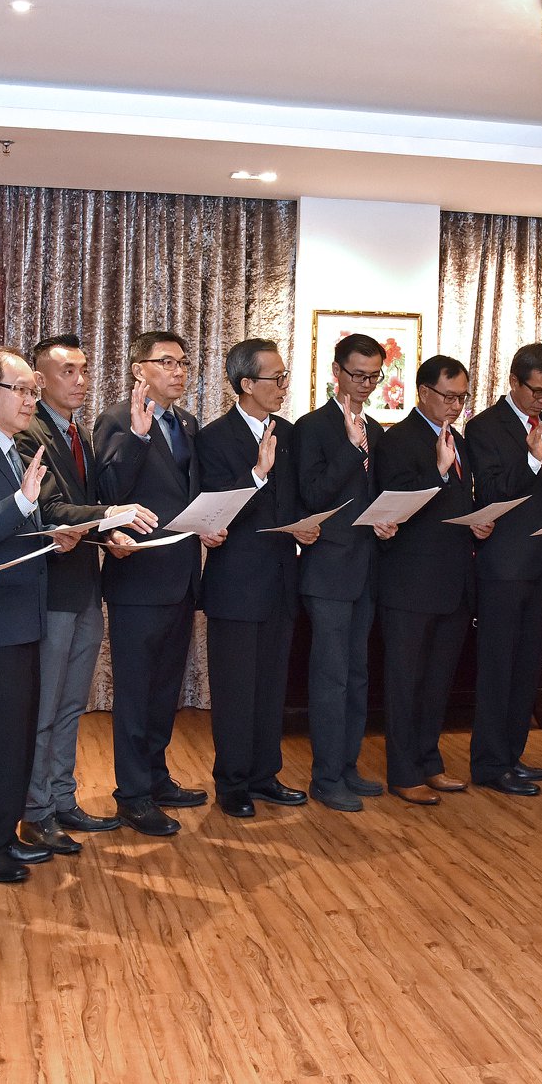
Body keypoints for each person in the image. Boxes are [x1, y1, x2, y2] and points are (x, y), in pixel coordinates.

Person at [0, 350, 81, 882]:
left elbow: (13, 531)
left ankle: (2, 834)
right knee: (1, 737)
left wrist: (47, 531)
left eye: (33, 391)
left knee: (18, 734)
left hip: (22, 614)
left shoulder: (9, 449)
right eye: (21, 390)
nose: (30, 401)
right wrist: (24, 505)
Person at [17, 334, 153, 851]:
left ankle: (62, 798)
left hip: (83, 585)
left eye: (84, 370)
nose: (80, 381)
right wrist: (111, 516)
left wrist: (108, 533)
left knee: (72, 703)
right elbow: (49, 510)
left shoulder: (78, 432)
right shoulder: (29, 432)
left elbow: (85, 507)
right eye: (67, 371)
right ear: (39, 380)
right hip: (49, 589)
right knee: (45, 706)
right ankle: (35, 810)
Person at [94, 330, 224, 836]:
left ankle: (156, 776)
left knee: (165, 690)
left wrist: (209, 524)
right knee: (135, 693)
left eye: (183, 362)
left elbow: (186, 495)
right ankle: (132, 795)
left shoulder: (187, 422)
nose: (178, 371)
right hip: (139, 580)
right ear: (138, 370)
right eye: (166, 362)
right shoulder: (116, 420)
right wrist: (139, 436)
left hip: (182, 576)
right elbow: (109, 492)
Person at [199, 338, 315, 817]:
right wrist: (257, 475)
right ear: (246, 383)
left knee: (271, 687)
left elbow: (294, 500)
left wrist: (305, 524)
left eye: (286, 377)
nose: (284, 386)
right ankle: (232, 783)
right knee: (235, 690)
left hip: (282, 581)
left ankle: (266, 775)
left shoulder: (288, 433)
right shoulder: (213, 437)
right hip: (236, 585)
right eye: (276, 378)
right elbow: (216, 509)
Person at [374, 356, 494, 805]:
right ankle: (403, 772)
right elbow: (397, 505)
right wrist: (439, 472)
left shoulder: (457, 440)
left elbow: (455, 506)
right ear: (424, 392)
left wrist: (477, 522)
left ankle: (429, 762)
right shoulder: (397, 440)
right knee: (405, 683)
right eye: (449, 397)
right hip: (410, 585)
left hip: (455, 583)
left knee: (438, 682)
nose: (456, 406)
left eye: (462, 398)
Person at [295, 332, 397, 811]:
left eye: (374, 376)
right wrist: (351, 450)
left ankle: (348, 765)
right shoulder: (311, 427)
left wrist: (387, 521)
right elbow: (313, 495)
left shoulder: (376, 429)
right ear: (336, 371)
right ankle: (325, 775)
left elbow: (370, 497)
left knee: (358, 675)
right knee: (331, 676)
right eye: (358, 374)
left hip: (367, 566)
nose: (366, 384)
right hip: (328, 571)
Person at [464, 343, 542, 796]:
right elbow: (491, 492)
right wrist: (532, 459)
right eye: (536, 391)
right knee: (497, 668)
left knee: (527, 668)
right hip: (501, 566)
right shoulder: (483, 426)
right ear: (514, 382)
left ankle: (512, 754)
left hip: (539, 562)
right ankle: (489, 763)